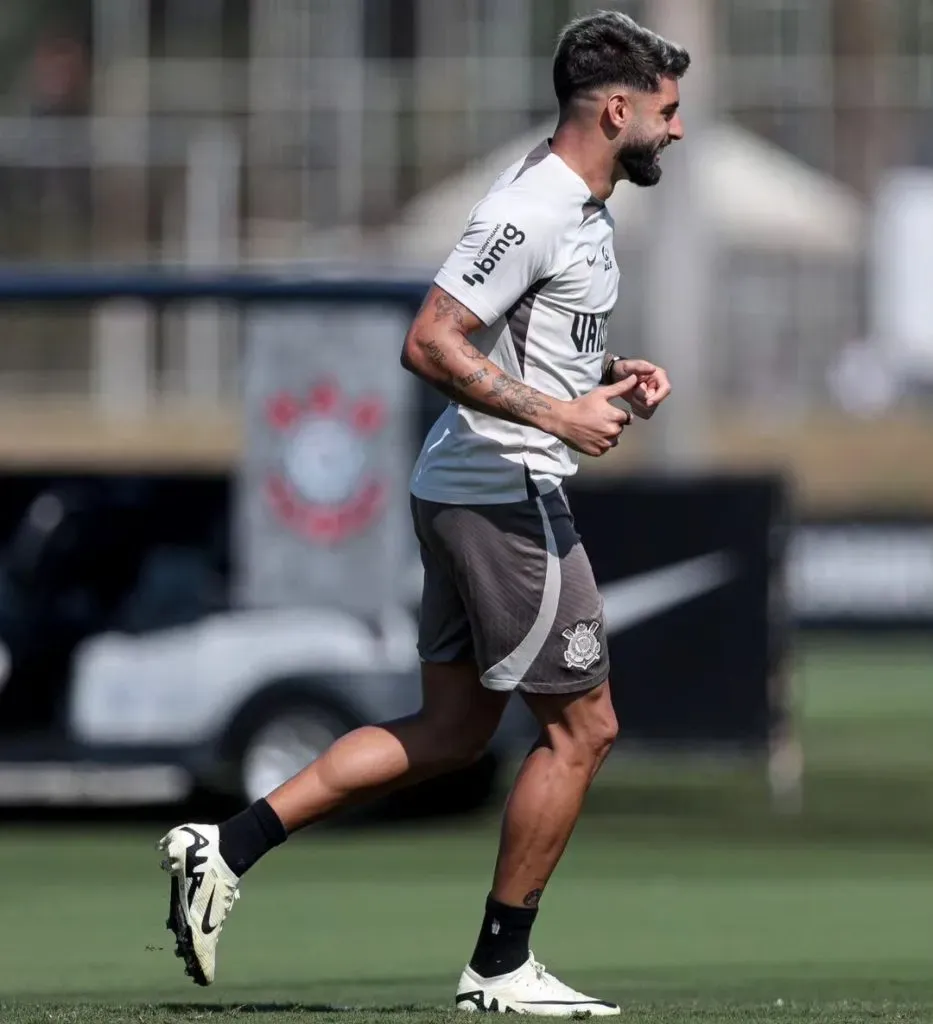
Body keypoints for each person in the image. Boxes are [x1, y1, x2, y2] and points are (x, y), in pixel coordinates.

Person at [158, 10, 689, 1016]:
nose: (676, 130)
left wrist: (604, 376)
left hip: (468, 487)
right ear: (617, 109)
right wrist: (557, 416)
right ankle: (499, 966)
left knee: (450, 731)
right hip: (503, 493)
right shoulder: (533, 205)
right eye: (667, 111)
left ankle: (223, 845)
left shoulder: (578, 203)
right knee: (585, 730)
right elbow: (431, 341)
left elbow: (519, 335)